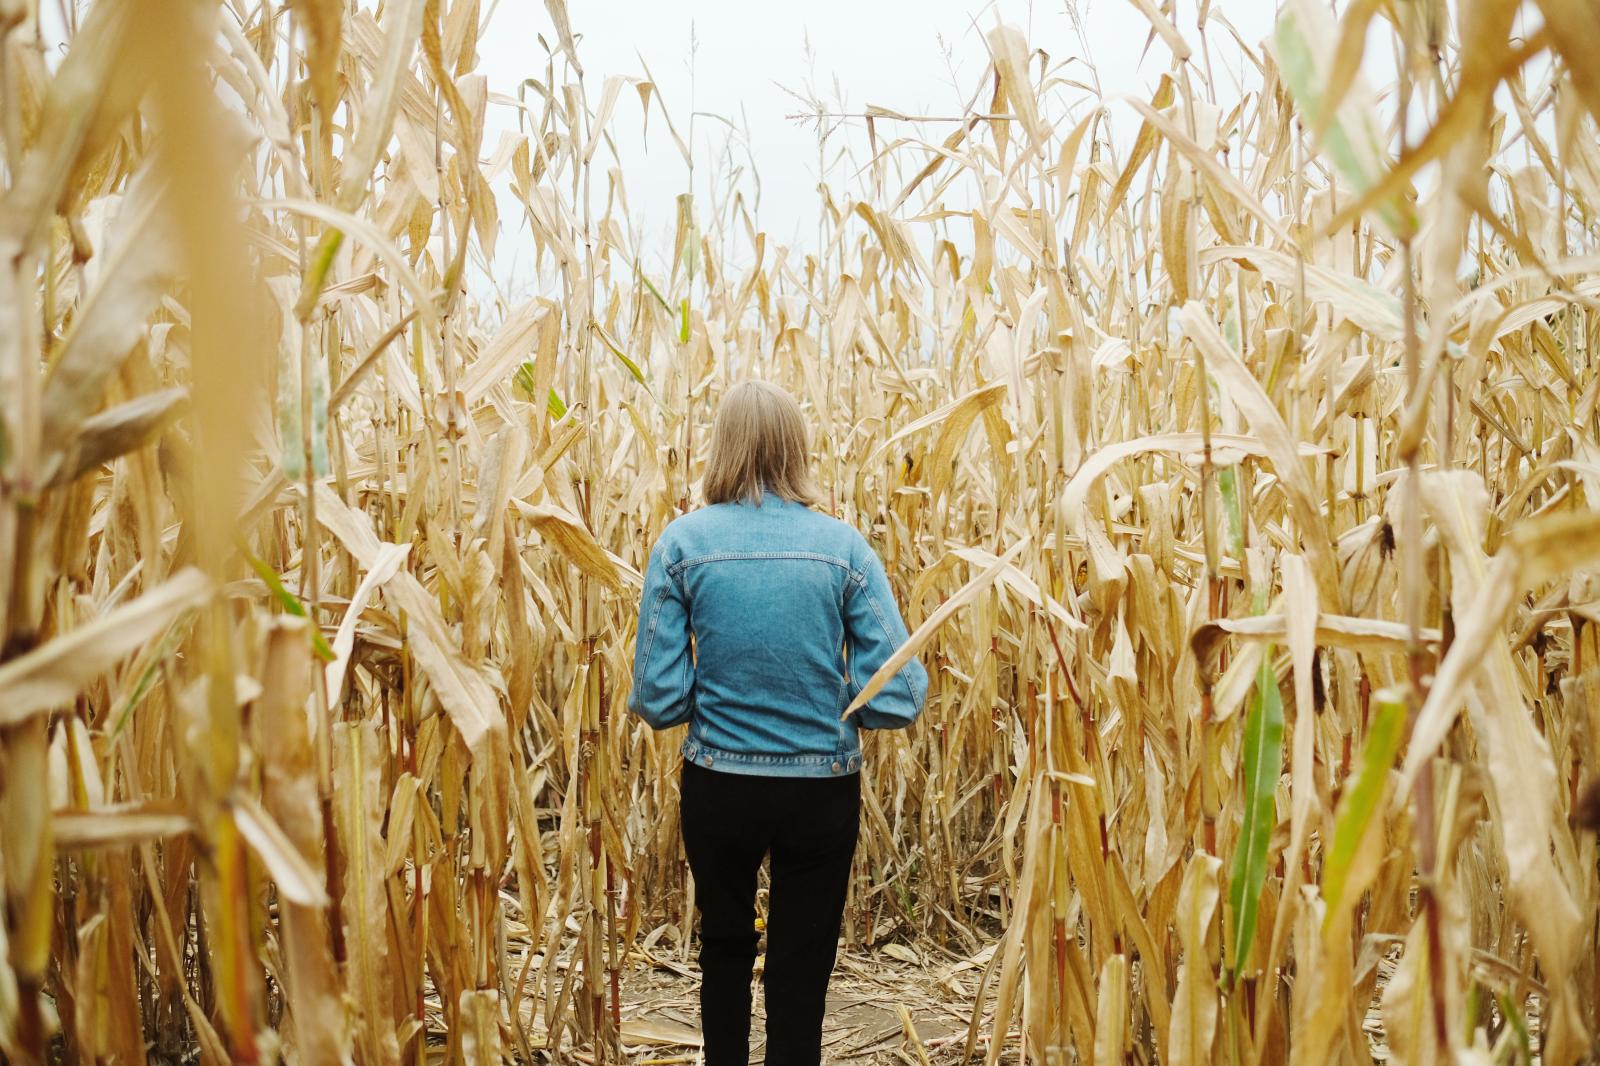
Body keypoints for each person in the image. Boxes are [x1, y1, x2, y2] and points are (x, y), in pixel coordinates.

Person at [626, 379, 928, 1066]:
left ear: (720, 446)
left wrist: (722, 693)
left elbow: (657, 696)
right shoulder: (843, 548)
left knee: (724, 946)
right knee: (802, 961)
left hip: (718, 785)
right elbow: (900, 693)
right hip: (821, 787)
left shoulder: (682, 544)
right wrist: (831, 695)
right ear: (797, 448)